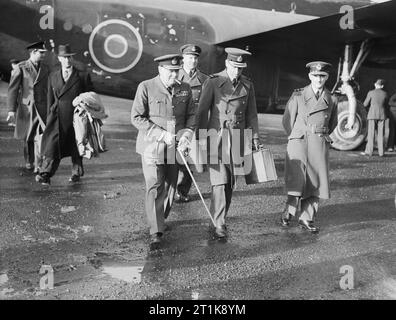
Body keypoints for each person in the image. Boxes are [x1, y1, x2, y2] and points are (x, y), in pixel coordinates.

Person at [193, 47, 260, 238]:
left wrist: (254, 138)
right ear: (227, 64)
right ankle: (220, 223)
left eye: (240, 68)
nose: (237, 71)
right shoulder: (213, 82)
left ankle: (217, 218)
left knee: (230, 182)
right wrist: (199, 139)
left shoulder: (247, 85)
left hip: (238, 138)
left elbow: (252, 115)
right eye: (234, 67)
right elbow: (202, 112)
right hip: (217, 137)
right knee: (219, 181)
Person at [131, 54, 195, 247]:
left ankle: (160, 218)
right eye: (170, 71)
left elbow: (191, 115)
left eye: (177, 70)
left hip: (174, 148)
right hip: (152, 147)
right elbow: (136, 117)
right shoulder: (146, 87)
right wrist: (161, 134)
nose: (174, 74)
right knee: (155, 186)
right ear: (160, 70)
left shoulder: (185, 88)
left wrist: (186, 135)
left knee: (170, 187)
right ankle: (156, 230)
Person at [281, 61, 338, 234]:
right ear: (309, 76)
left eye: (322, 76)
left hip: (318, 142)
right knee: (296, 179)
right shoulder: (298, 95)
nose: (319, 79)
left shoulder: (331, 99)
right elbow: (287, 121)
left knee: (315, 182)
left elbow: (332, 123)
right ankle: (289, 211)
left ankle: (307, 218)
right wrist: (297, 135)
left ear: (327, 77)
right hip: (299, 141)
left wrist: (318, 134)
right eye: (315, 76)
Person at [35, 44, 93, 185]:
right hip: (57, 116)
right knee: (52, 146)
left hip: (75, 117)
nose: (67, 60)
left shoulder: (82, 76)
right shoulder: (53, 76)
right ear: (59, 59)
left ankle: (76, 173)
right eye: (64, 58)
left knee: (75, 145)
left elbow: (90, 96)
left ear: (72, 58)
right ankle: (46, 173)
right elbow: (50, 99)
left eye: (69, 57)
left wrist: (85, 110)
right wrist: (49, 117)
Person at [7, 41, 49, 173]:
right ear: (33, 52)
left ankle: (39, 163)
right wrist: (11, 110)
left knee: (41, 136)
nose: (43, 55)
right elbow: (12, 90)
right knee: (28, 136)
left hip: (42, 107)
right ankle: (29, 161)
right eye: (41, 53)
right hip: (27, 108)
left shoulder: (45, 68)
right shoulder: (21, 67)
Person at [175, 44, 209, 203]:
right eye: (190, 57)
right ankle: (171, 189)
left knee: (189, 159)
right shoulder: (174, 75)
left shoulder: (205, 79)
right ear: (183, 59)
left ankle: (182, 191)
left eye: (195, 58)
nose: (193, 61)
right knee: (173, 158)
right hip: (179, 124)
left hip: (195, 125)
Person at [361, 79, 388, 157]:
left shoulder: (371, 93)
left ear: (375, 85)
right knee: (381, 134)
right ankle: (381, 152)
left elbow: (365, 104)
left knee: (371, 133)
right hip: (382, 115)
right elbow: (386, 105)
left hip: (372, 114)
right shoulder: (385, 94)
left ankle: (369, 152)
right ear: (382, 86)